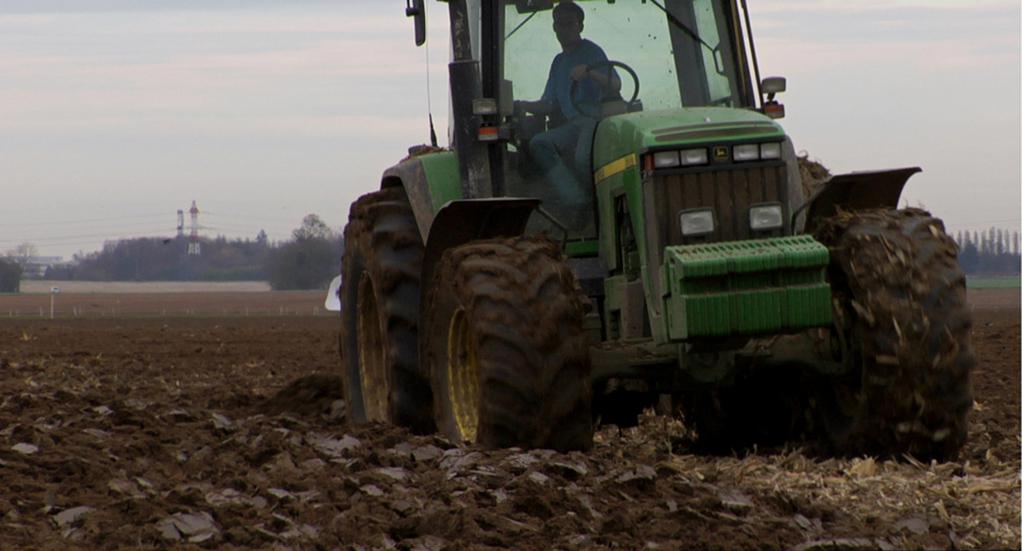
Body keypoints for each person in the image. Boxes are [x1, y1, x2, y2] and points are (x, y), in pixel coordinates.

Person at [517, 1, 620, 224]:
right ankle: (576, 201)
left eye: (569, 23)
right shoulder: (559, 62)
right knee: (539, 143)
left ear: (580, 26)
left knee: (583, 158)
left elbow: (616, 85)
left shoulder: (592, 52)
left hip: (595, 119)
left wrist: (590, 73)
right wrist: (522, 104)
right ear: (554, 28)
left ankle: (599, 205)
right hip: (573, 123)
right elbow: (550, 104)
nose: (564, 29)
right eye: (559, 24)